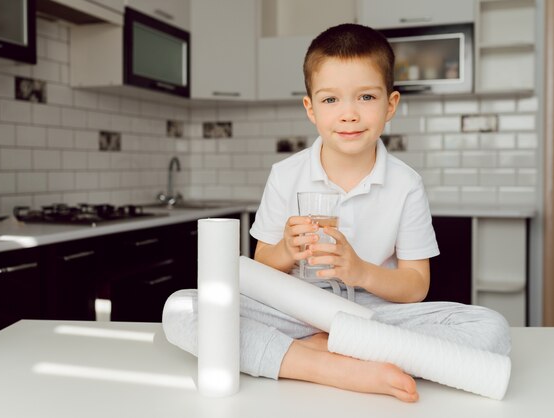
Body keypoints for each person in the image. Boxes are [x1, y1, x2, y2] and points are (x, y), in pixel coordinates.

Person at [162, 23, 510, 402]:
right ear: (310, 109)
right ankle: (329, 365)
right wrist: (286, 251)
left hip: (374, 319)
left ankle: (324, 350)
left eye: (365, 97)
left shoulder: (406, 184)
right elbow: (260, 265)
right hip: (294, 315)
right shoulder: (286, 175)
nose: (348, 114)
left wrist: (360, 271)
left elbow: (415, 285)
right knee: (184, 307)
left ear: (390, 105)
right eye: (331, 100)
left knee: (490, 328)